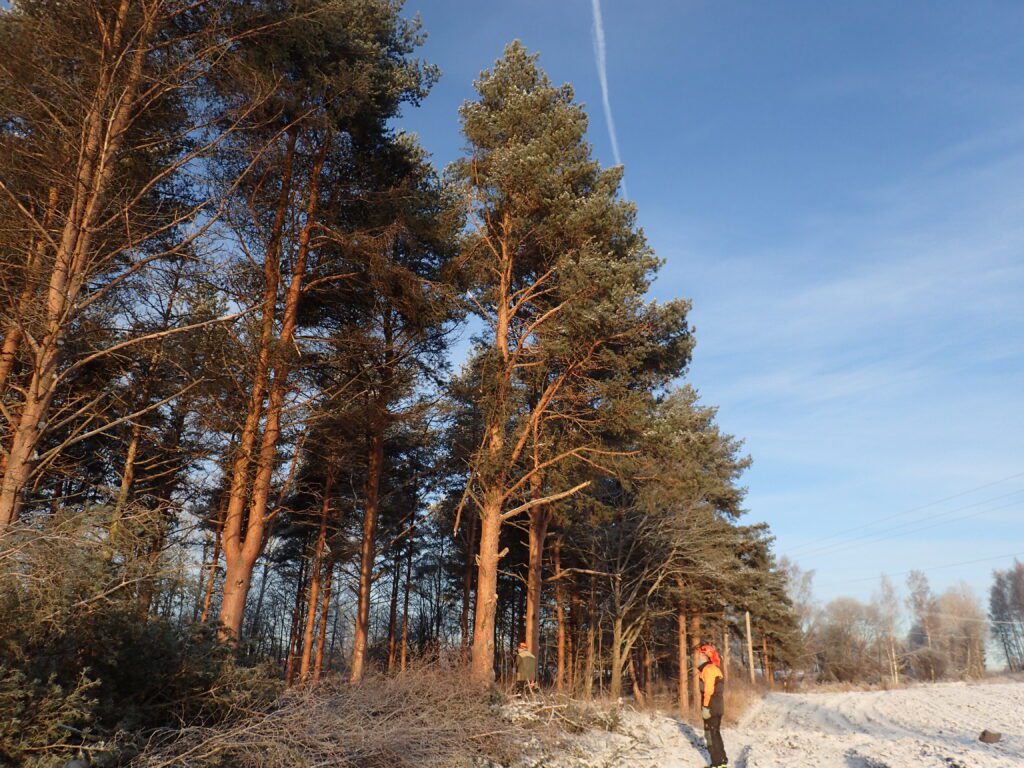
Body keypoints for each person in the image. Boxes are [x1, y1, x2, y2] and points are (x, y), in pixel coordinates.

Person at [698, 642, 728, 768]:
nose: (698, 658)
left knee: (711, 734)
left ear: (705, 656)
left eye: (700, 655)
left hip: (711, 707)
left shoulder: (708, 669)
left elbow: (708, 690)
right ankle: (721, 762)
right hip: (717, 707)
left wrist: (705, 707)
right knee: (715, 733)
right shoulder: (714, 668)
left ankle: (717, 764)